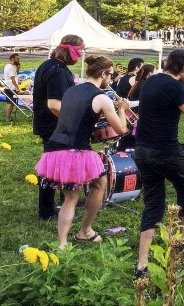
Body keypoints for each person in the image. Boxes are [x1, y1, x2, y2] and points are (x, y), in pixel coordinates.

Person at [35, 56, 128, 249]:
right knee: (100, 184)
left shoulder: (70, 91)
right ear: (103, 74)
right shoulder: (102, 97)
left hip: (54, 147)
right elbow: (121, 130)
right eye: (110, 75)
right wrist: (122, 109)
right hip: (76, 150)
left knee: (70, 197)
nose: (110, 79)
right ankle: (85, 231)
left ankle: (62, 244)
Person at [133, 49, 184, 279]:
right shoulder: (176, 87)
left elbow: (165, 106)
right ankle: (181, 244)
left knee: (153, 204)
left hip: (142, 151)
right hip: (166, 151)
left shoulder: (151, 80)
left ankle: (142, 265)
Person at [32, 34, 84, 221]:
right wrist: (74, 119)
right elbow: (54, 104)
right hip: (54, 126)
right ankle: (46, 212)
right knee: (51, 168)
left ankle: (67, 199)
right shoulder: (57, 71)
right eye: (80, 51)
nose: (80, 56)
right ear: (70, 51)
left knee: (64, 164)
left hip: (50, 124)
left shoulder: (49, 65)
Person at [2, 53, 23, 123]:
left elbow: (16, 74)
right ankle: (8, 118)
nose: (19, 60)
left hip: (8, 86)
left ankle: (8, 117)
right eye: (17, 59)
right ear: (12, 59)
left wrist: (18, 68)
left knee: (9, 102)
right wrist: (17, 88)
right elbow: (13, 79)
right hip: (11, 87)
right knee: (10, 103)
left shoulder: (9, 66)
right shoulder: (10, 67)